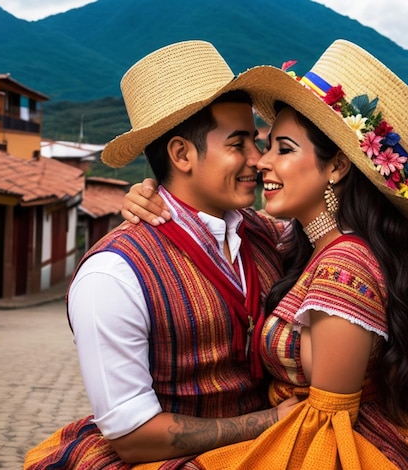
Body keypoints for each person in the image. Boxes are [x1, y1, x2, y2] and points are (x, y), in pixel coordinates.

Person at [124, 40, 408, 469]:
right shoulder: (302, 243)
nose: (262, 162)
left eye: (282, 149)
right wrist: (156, 196)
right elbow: (210, 221)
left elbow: (328, 421)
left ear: (337, 167)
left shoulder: (344, 264)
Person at [24, 40, 300, 469]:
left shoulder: (261, 233)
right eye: (239, 143)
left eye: (258, 142)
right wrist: (269, 422)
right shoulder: (112, 275)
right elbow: (134, 438)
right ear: (181, 154)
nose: (258, 159)